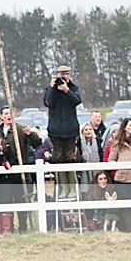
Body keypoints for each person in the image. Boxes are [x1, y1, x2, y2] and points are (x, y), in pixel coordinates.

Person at [0, 106, 40, 233]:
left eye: (10, 113)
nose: (8, 115)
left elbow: (36, 143)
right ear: (1, 116)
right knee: (7, 201)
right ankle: (9, 228)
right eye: (5, 113)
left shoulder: (19, 129)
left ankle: (23, 227)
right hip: (4, 172)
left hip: (20, 170)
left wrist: (30, 134)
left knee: (22, 200)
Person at [44, 65, 82, 199]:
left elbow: (77, 101)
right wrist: (52, 87)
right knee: (58, 157)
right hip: (56, 130)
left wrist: (67, 90)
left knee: (69, 157)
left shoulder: (73, 88)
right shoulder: (50, 89)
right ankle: (63, 188)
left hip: (70, 129)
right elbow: (48, 102)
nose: (64, 76)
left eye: (67, 74)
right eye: (62, 74)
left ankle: (72, 188)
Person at [76, 122, 101, 225]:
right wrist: (81, 158)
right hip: (84, 175)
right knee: (86, 196)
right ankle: (88, 221)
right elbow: (76, 157)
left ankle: (98, 220)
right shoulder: (78, 144)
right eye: (85, 130)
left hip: (96, 172)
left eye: (90, 129)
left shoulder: (98, 142)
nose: (88, 131)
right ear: (82, 132)